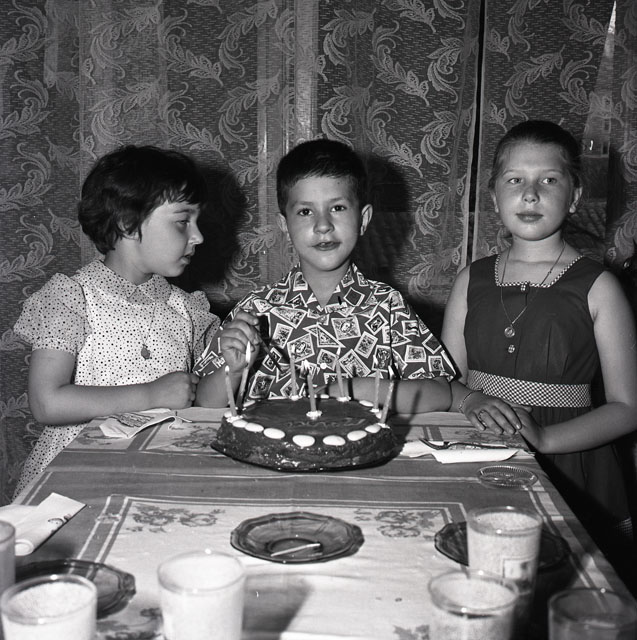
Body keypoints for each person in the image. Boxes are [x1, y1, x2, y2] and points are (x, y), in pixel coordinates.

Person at [441, 120, 637, 563]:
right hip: (481, 446)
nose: (530, 194)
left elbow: (628, 407)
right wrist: (470, 401)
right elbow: (447, 382)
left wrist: (545, 439)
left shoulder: (600, 286)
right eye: (515, 180)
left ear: (576, 196)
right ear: (494, 196)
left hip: (571, 462)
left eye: (549, 180)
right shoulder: (470, 279)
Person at [13, 145, 220, 496]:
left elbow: (199, 401)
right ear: (127, 223)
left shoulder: (186, 309)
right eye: (183, 221)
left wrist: (233, 364)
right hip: (77, 477)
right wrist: (151, 394)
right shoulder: (72, 298)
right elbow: (47, 403)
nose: (198, 236)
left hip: (155, 473)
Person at [195, 138, 455, 411]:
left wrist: (355, 389)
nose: (323, 225)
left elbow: (439, 393)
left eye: (337, 208)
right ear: (285, 225)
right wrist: (234, 370)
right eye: (305, 211)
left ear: (363, 219)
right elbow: (203, 401)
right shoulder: (256, 310)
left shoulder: (387, 306)